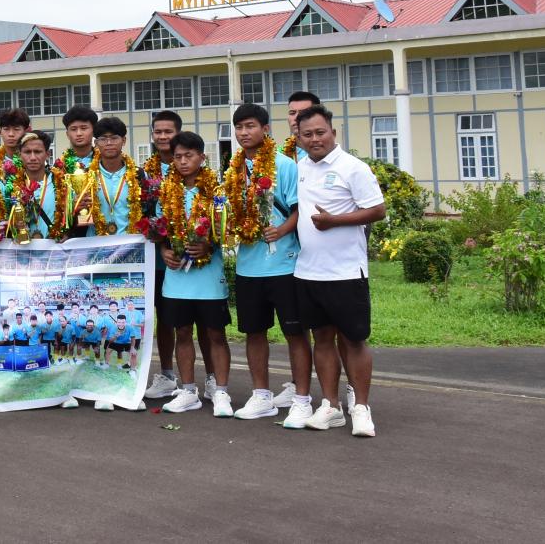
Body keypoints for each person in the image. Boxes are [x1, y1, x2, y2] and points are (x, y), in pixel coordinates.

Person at [293, 105, 385, 437]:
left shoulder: (353, 167)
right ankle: (331, 406)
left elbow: (377, 210)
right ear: (298, 138)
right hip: (309, 271)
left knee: (354, 339)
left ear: (333, 132)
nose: (314, 139)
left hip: (346, 272)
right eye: (307, 134)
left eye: (320, 132)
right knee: (322, 339)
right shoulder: (300, 167)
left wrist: (334, 221)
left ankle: (361, 408)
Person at [224, 104, 312, 427]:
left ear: (265, 129)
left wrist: (282, 230)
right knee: (254, 333)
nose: (244, 132)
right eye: (239, 127)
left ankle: (302, 399)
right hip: (248, 266)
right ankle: (261, 396)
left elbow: (299, 209)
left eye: (250, 126)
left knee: (295, 333)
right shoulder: (233, 170)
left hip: (285, 265)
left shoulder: (284, 165)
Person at [158, 131, 233, 417]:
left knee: (215, 333)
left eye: (189, 155)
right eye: (177, 156)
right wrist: (164, 250)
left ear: (202, 157)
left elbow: (228, 231)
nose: (183, 161)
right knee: (182, 331)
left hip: (208, 276)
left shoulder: (217, 191)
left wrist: (209, 245)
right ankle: (188, 391)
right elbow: (160, 229)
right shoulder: (166, 191)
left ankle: (221, 391)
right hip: (177, 276)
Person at [142, 109, 209, 399]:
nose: (163, 136)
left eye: (168, 131)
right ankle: (167, 375)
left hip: (196, 262)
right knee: (165, 320)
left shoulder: (195, 172)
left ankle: (213, 380)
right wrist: (161, 245)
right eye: (158, 132)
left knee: (201, 323)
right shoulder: (144, 172)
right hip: (158, 258)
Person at [64, 117, 141, 240]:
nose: (109, 143)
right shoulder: (85, 177)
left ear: (124, 140)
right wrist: (76, 209)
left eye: (114, 138)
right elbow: (80, 221)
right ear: (96, 143)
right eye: (103, 139)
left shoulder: (138, 175)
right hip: (95, 245)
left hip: (130, 244)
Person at [7, 131, 59, 237]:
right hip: (22, 246)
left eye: (37, 152)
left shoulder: (60, 184)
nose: (33, 157)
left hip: (54, 246)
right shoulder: (10, 186)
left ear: (47, 154)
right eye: (27, 152)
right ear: (19, 154)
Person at [0, 108, 30, 177]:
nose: (11, 134)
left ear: (26, 131)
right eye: (6, 129)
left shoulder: (34, 162)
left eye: (16, 129)